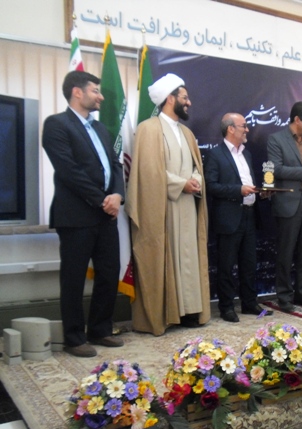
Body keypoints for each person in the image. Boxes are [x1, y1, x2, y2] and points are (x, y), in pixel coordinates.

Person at [42, 71, 124, 357]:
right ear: (77, 92)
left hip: (106, 215)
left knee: (109, 273)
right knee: (74, 278)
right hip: (76, 216)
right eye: (95, 91)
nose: (101, 97)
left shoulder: (101, 129)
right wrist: (102, 200)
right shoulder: (56, 124)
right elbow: (68, 170)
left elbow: (115, 165)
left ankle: (100, 329)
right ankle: (74, 338)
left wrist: (117, 195)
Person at [126, 73, 210, 335]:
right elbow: (149, 172)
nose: (189, 102)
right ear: (170, 99)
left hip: (188, 204)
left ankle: (188, 311)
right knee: (168, 256)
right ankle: (168, 313)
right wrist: (180, 184)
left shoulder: (187, 132)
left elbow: (197, 166)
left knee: (188, 257)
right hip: (163, 206)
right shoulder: (148, 129)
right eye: (185, 97)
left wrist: (195, 181)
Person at [203, 113, 274, 323]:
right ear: (231, 129)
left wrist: (261, 193)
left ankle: (249, 303)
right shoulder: (215, 154)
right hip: (228, 217)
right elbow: (211, 186)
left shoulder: (247, 154)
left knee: (249, 263)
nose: (248, 129)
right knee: (226, 265)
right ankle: (226, 307)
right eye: (244, 126)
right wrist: (238, 190)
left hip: (249, 214)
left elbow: (249, 183)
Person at [267, 101, 302, 313]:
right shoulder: (276, 139)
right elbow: (275, 169)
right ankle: (284, 297)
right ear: (297, 119)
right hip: (288, 203)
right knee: (286, 252)